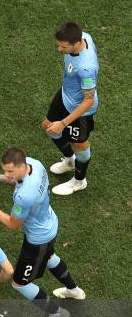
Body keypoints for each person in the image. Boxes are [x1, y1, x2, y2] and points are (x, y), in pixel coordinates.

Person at [0, 148, 86, 317]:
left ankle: (56, 314)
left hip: (37, 238)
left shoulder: (24, 196)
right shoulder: (35, 164)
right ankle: (73, 290)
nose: (7, 175)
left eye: (10, 171)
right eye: (5, 170)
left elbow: (12, 224)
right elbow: (12, 179)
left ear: (22, 166)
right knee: (49, 257)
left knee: (19, 283)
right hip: (50, 222)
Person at [42, 22, 99, 195]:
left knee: (80, 145)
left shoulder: (86, 68)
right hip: (65, 95)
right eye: (58, 44)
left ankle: (79, 181)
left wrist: (64, 123)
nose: (59, 49)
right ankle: (69, 160)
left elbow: (88, 101)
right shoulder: (85, 36)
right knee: (48, 126)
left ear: (76, 43)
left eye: (63, 46)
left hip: (80, 109)